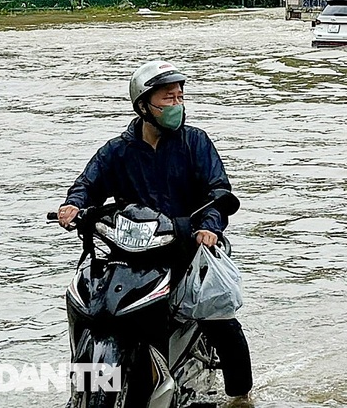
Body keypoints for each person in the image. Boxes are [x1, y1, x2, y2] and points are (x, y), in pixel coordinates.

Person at [57, 60, 253, 400]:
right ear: (144, 105)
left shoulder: (195, 142)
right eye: (168, 98)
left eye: (180, 97)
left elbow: (217, 191)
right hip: (128, 253)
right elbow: (88, 183)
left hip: (185, 248)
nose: (177, 105)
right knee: (92, 304)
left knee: (219, 318)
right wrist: (73, 205)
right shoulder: (118, 150)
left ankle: (241, 395)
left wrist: (208, 228)